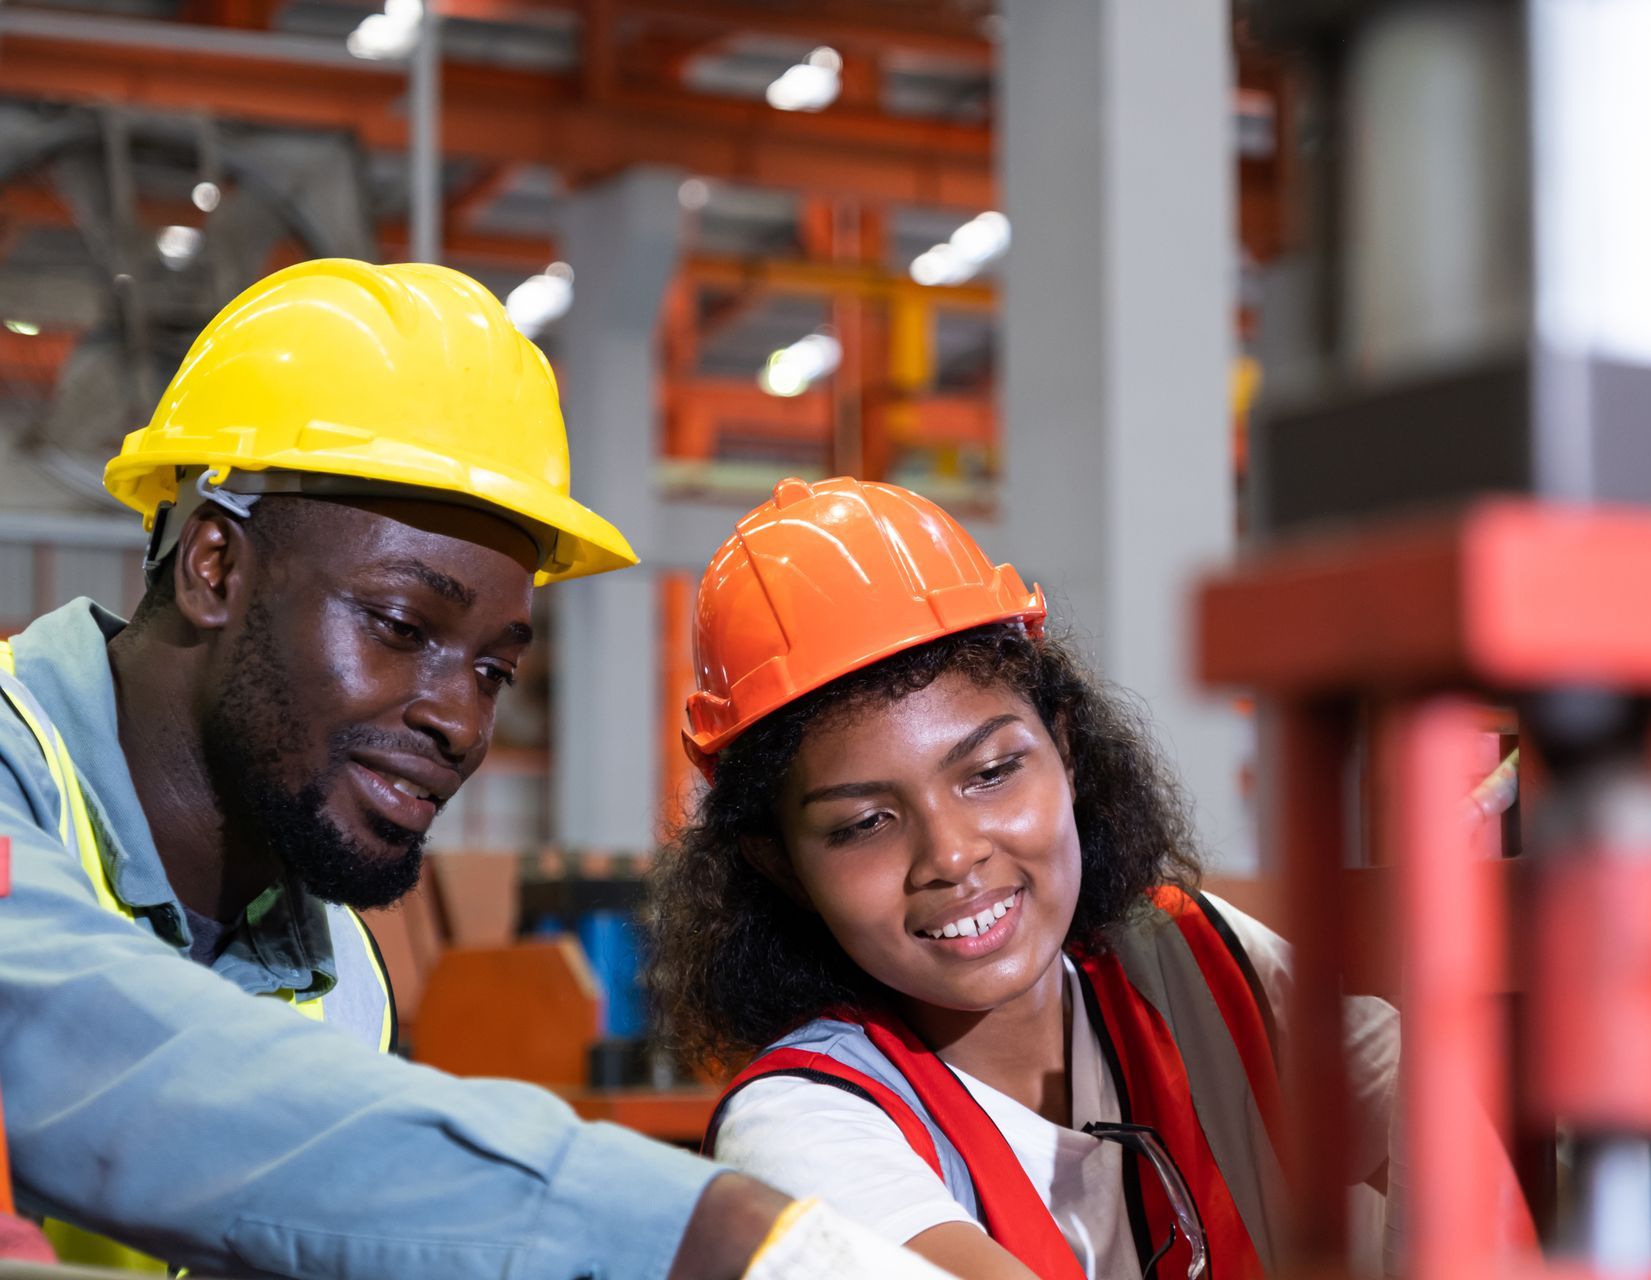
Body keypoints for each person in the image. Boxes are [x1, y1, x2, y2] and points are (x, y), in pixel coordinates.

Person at [0, 260, 956, 1280]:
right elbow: (83, 1041)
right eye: (402, 623)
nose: (459, 717)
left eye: (496, 666)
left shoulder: (337, 977)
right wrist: (704, 1230)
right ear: (215, 567)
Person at [650, 476, 1404, 1280]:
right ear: (782, 866)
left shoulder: (1195, 961)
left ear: (1066, 751)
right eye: (865, 823)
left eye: (992, 772)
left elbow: (1451, 1114)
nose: (950, 855)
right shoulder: (799, 1127)